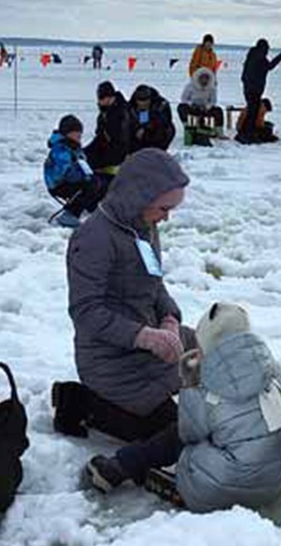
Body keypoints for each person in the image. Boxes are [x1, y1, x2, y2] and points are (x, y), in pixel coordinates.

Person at [86, 303, 281, 511]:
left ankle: (123, 468)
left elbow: (187, 434)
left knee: (176, 437)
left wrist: (189, 384)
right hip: (273, 485)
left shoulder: (207, 387)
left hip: (218, 487)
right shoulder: (278, 376)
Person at [52, 150, 198, 443]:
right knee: (175, 433)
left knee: (217, 350)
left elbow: (155, 283)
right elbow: (86, 312)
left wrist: (169, 319)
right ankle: (77, 401)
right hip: (111, 360)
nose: (166, 218)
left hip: (151, 338)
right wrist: (144, 336)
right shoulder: (93, 239)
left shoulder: (145, 226)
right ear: (139, 198)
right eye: (163, 208)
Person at [44, 115, 101, 228]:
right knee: (88, 186)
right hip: (59, 184)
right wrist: (81, 176)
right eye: (76, 132)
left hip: (70, 181)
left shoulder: (74, 147)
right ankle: (69, 214)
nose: (80, 134)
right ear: (67, 133)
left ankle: (92, 209)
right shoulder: (61, 149)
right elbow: (63, 171)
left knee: (97, 183)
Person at [238, 39, 281, 143]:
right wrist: (279, 58)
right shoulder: (260, 58)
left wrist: (246, 84)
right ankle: (247, 134)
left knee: (252, 111)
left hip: (249, 89)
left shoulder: (251, 56)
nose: (267, 51)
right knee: (252, 113)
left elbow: (244, 75)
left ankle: (248, 133)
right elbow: (269, 66)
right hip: (254, 89)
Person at [85, 82, 132, 183]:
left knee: (91, 163)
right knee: (84, 159)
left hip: (121, 152)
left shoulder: (122, 112)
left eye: (101, 99)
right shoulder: (104, 113)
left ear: (110, 97)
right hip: (107, 148)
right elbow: (100, 137)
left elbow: (123, 140)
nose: (99, 102)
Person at [127, 84, 176, 152]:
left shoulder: (161, 105)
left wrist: (146, 128)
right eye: (140, 102)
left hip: (155, 135)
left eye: (145, 102)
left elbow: (164, 121)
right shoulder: (131, 107)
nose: (142, 105)